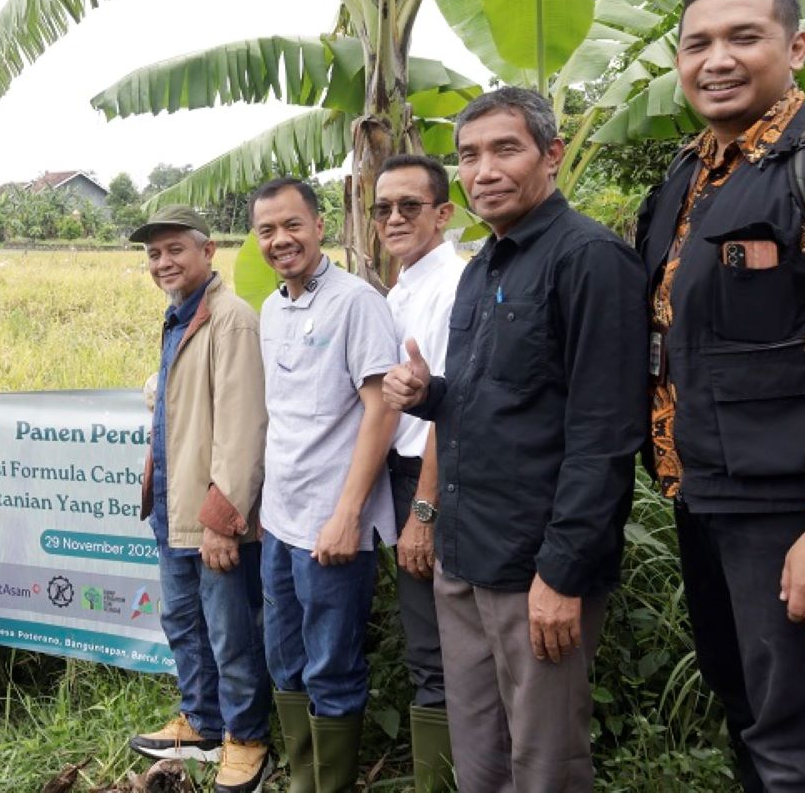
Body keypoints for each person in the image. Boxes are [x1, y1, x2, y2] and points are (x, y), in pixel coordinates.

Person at [635, 0, 805, 791]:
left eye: (743, 37)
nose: (717, 59)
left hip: (797, 512)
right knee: (749, 718)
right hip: (705, 497)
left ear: (796, 46)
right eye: (697, 43)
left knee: (804, 748)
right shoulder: (686, 176)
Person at [383, 86, 648, 792]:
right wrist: (428, 393)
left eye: (506, 149)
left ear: (552, 154)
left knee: (544, 761)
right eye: (469, 156)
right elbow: (491, 399)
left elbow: (606, 434)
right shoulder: (482, 269)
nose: (483, 170)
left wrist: (562, 574)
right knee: (480, 756)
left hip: (536, 568)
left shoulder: (589, 259)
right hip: (465, 558)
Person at [250, 178, 398, 793]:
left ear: (319, 226)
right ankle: (303, 778)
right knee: (284, 658)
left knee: (332, 664)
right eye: (266, 231)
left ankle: (329, 785)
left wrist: (348, 514)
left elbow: (382, 411)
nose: (281, 240)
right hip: (279, 520)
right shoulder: (272, 306)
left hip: (331, 524)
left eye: (292, 225)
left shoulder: (356, 303)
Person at [125, 206, 273, 793]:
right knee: (185, 623)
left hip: (211, 516)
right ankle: (203, 721)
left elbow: (242, 427)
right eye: (154, 254)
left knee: (230, 631)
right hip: (174, 505)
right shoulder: (180, 318)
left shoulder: (231, 320)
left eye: (174, 251)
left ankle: (247, 739)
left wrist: (221, 518)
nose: (163, 262)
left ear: (208, 252)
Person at [372, 155, 464, 790]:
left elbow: (445, 413)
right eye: (383, 208)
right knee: (424, 636)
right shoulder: (402, 287)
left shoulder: (450, 284)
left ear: (443, 213)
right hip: (401, 475)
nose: (395, 218)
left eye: (410, 206)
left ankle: (447, 778)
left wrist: (422, 512)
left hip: (428, 477)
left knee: (439, 645)